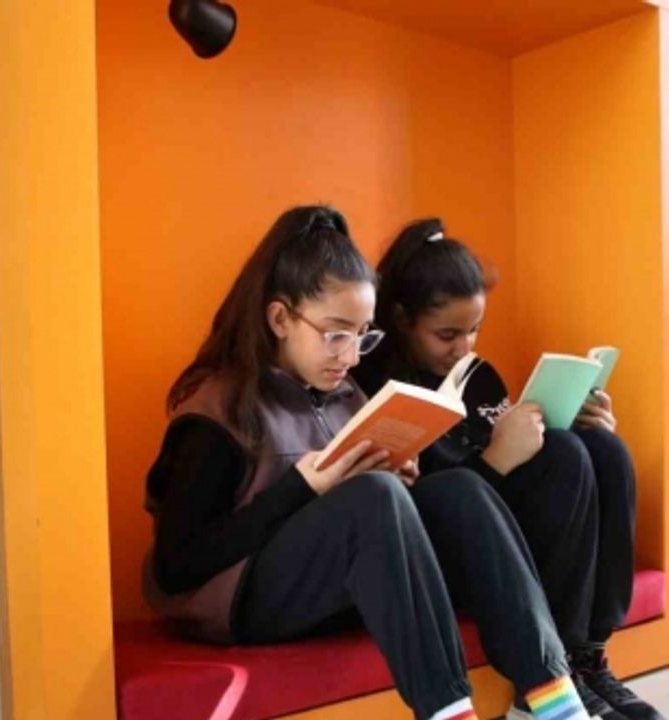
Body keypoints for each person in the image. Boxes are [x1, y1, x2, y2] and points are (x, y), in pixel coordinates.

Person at [144, 205, 592, 720]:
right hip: (242, 604)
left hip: (339, 588)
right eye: (337, 333)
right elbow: (176, 567)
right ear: (280, 319)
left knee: (455, 490)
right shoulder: (217, 412)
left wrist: (401, 481)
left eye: (363, 335)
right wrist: (302, 488)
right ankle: (449, 713)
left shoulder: (346, 395)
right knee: (373, 497)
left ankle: (548, 696)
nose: (352, 355)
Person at [353, 217, 665, 720]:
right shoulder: (369, 384)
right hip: (445, 556)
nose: (465, 348)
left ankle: (586, 658)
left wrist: (563, 421)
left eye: (474, 330)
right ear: (402, 318)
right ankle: (551, 673)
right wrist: (498, 459)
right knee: (564, 456)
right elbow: (442, 508)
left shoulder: (474, 375)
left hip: (502, 527)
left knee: (598, 449)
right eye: (447, 334)